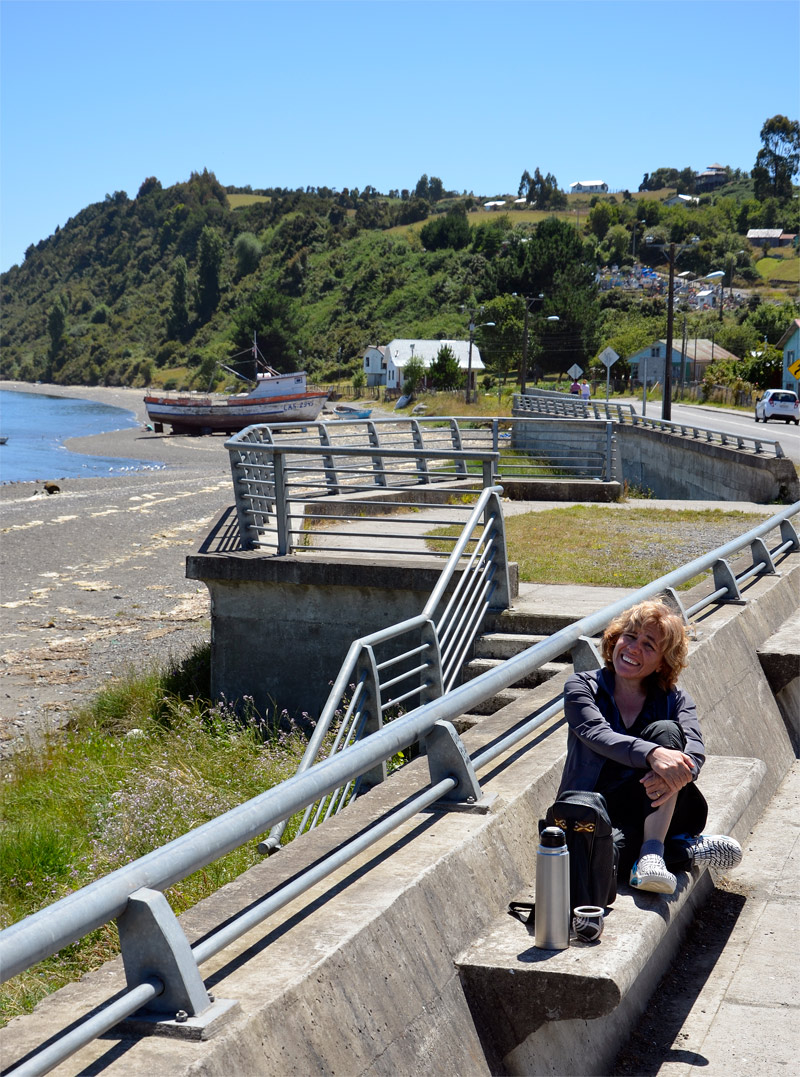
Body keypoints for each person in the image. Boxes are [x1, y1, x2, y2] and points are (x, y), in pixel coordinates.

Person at [559, 599, 742, 894]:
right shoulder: (582, 687)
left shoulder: (676, 699)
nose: (633, 648)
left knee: (666, 731)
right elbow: (596, 733)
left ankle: (654, 853)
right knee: (604, 857)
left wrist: (676, 769)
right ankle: (682, 850)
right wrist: (653, 755)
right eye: (630, 637)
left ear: (662, 662)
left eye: (648, 645)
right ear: (615, 639)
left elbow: (695, 750)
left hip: (658, 805)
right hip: (598, 809)